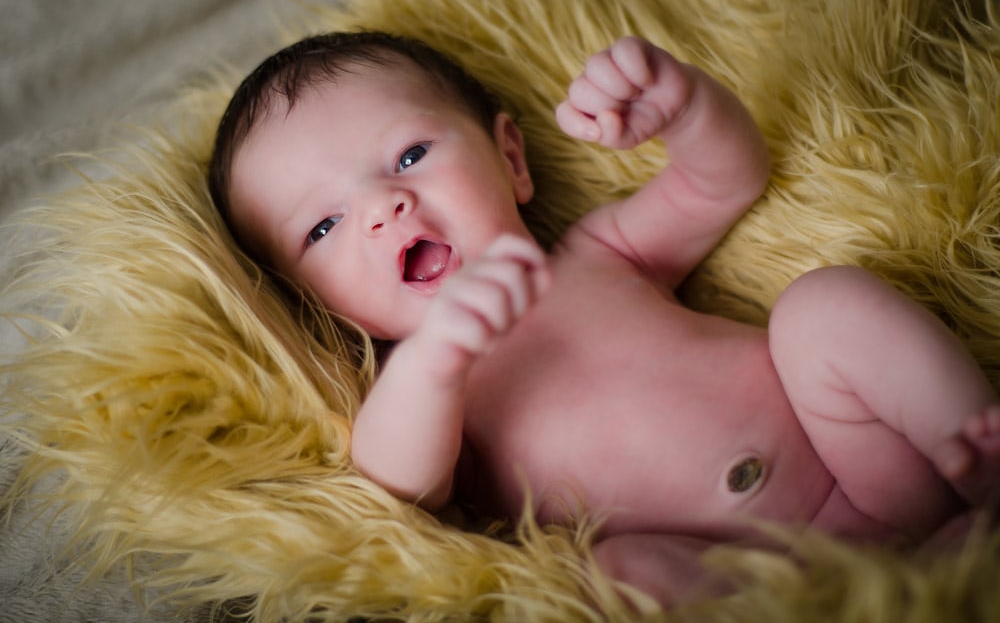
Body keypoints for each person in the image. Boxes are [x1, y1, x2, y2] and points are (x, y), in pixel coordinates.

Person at [208, 30, 1000, 606]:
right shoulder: (417, 394)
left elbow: (724, 182)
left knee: (825, 305)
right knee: (612, 571)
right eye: (323, 228)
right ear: (314, 304)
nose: (384, 209)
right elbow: (395, 485)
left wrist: (685, 108)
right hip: (754, 583)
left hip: (870, 474)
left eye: (409, 156)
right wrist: (435, 359)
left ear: (511, 160)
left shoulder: (598, 256)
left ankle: (972, 451)